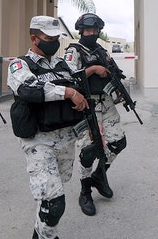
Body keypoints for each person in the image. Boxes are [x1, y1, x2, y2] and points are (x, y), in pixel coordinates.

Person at [7, 15, 89, 239]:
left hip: (66, 138)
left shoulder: (64, 65)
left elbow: (81, 98)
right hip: (38, 141)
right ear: (34, 38)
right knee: (54, 203)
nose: (53, 42)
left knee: (50, 196)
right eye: (48, 38)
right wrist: (68, 91)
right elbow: (29, 88)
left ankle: (39, 233)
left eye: (56, 38)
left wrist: (91, 127)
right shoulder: (20, 64)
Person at [63, 13, 127, 216]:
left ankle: (100, 174)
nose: (91, 33)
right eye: (87, 30)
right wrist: (92, 69)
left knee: (118, 142)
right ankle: (85, 192)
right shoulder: (73, 51)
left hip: (106, 102)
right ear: (80, 31)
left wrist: (120, 92)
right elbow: (67, 76)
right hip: (86, 104)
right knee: (88, 150)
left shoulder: (101, 50)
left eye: (94, 30)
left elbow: (112, 73)